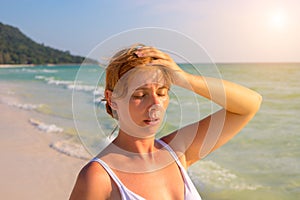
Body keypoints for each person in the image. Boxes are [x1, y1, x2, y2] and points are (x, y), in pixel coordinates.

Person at [69, 44, 262, 200]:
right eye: (140, 95)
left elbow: (250, 105)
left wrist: (186, 79)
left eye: (162, 93)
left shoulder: (178, 151)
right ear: (112, 99)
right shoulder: (99, 178)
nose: (155, 104)